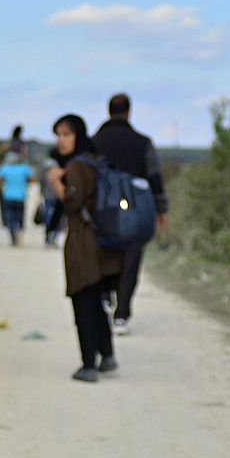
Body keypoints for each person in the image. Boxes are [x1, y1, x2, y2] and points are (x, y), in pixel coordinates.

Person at [48, 114, 122, 382]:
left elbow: (73, 201)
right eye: (58, 135)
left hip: (84, 242)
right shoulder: (96, 161)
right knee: (96, 299)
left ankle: (88, 364)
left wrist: (57, 182)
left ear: (78, 135)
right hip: (103, 242)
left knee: (83, 302)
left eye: (66, 134)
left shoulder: (77, 165)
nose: (61, 140)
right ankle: (107, 355)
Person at [91, 93, 168, 336]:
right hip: (135, 210)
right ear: (128, 112)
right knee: (131, 259)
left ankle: (105, 297)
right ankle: (122, 314)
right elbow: (154, 176)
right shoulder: (142, 142)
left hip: (102, 210)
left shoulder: (94, 142)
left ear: (109, 111)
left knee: (103, 254)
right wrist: (160, 208)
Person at [0, 151, 35, 246]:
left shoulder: (4, 168)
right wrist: (25, 181)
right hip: (20, 196)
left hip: (8, 196)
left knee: (10, 217)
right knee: (19, 216)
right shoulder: (24, 168)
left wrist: (3, 184)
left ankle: (12, 233)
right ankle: (19, 231)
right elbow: (33, 179)